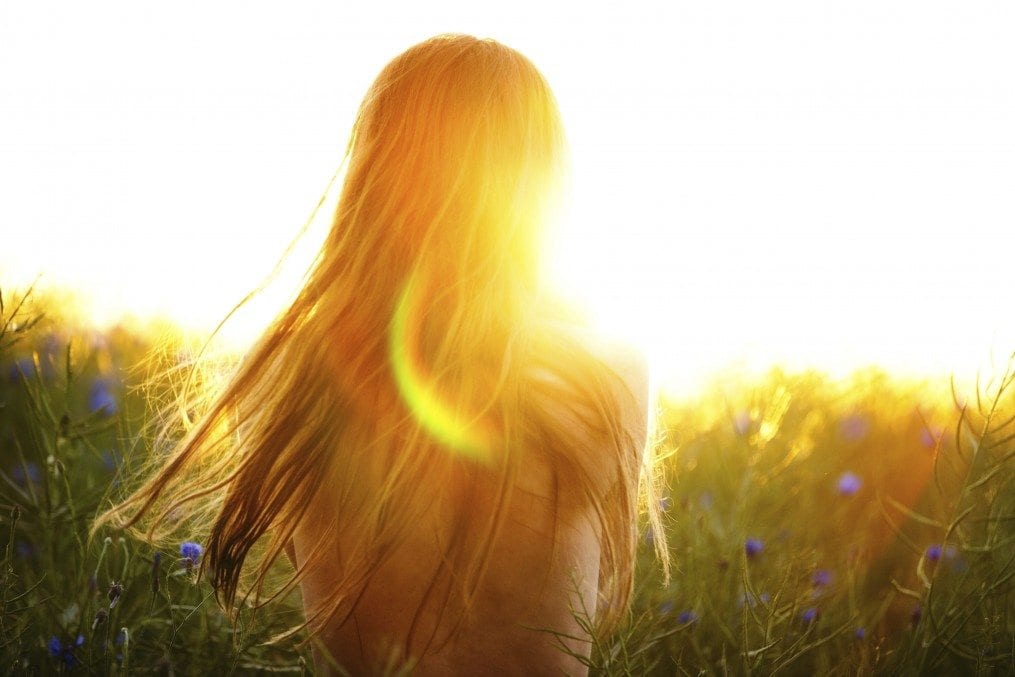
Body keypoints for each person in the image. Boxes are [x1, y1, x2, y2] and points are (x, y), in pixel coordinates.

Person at [96, 34, 665, 675]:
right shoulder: (606, 373)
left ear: (375, 170)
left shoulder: (291, 375)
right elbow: (605, 591)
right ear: (539, 185)